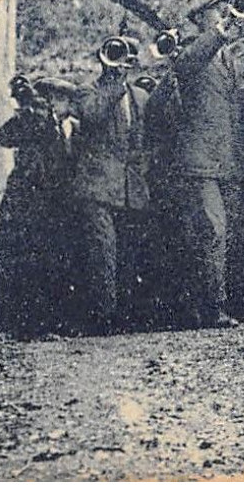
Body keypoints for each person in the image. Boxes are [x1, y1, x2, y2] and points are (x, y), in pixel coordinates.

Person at [151, 0, 244, 329]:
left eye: (227, 9)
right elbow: (186, 66)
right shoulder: (192, 48)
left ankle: (202, 303)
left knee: (222, 233)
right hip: (197, 160)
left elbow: (241, 111)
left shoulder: (229, 58)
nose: (226, 13)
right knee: (213, 230)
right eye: (217, 11)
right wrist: (220, 32)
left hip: (227, 161)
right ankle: (211, 307)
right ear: (201, 18)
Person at [70, 51, 155, 334]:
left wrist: (144, 159)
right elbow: (93, 115)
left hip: (130, 186)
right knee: (103, 249)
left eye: (127, 57)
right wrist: (116, 85)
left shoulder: (141, 96)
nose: (121, 62)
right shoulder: (87, 91)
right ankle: (103, 317)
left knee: (129, 252)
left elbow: (149, 134)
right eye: (116, 55)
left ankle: (125, 316)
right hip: (97, 185)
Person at [0, 77, 79, 337]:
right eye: (65, 100)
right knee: (23, 265)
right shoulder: (34, 122)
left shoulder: (65, 127)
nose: (70, 107)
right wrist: (30, 112)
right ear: (53, 100)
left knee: (50, 266)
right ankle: (21, 327)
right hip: (27, 204)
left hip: (52, 207)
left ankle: (46, 325)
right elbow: (3, 137)